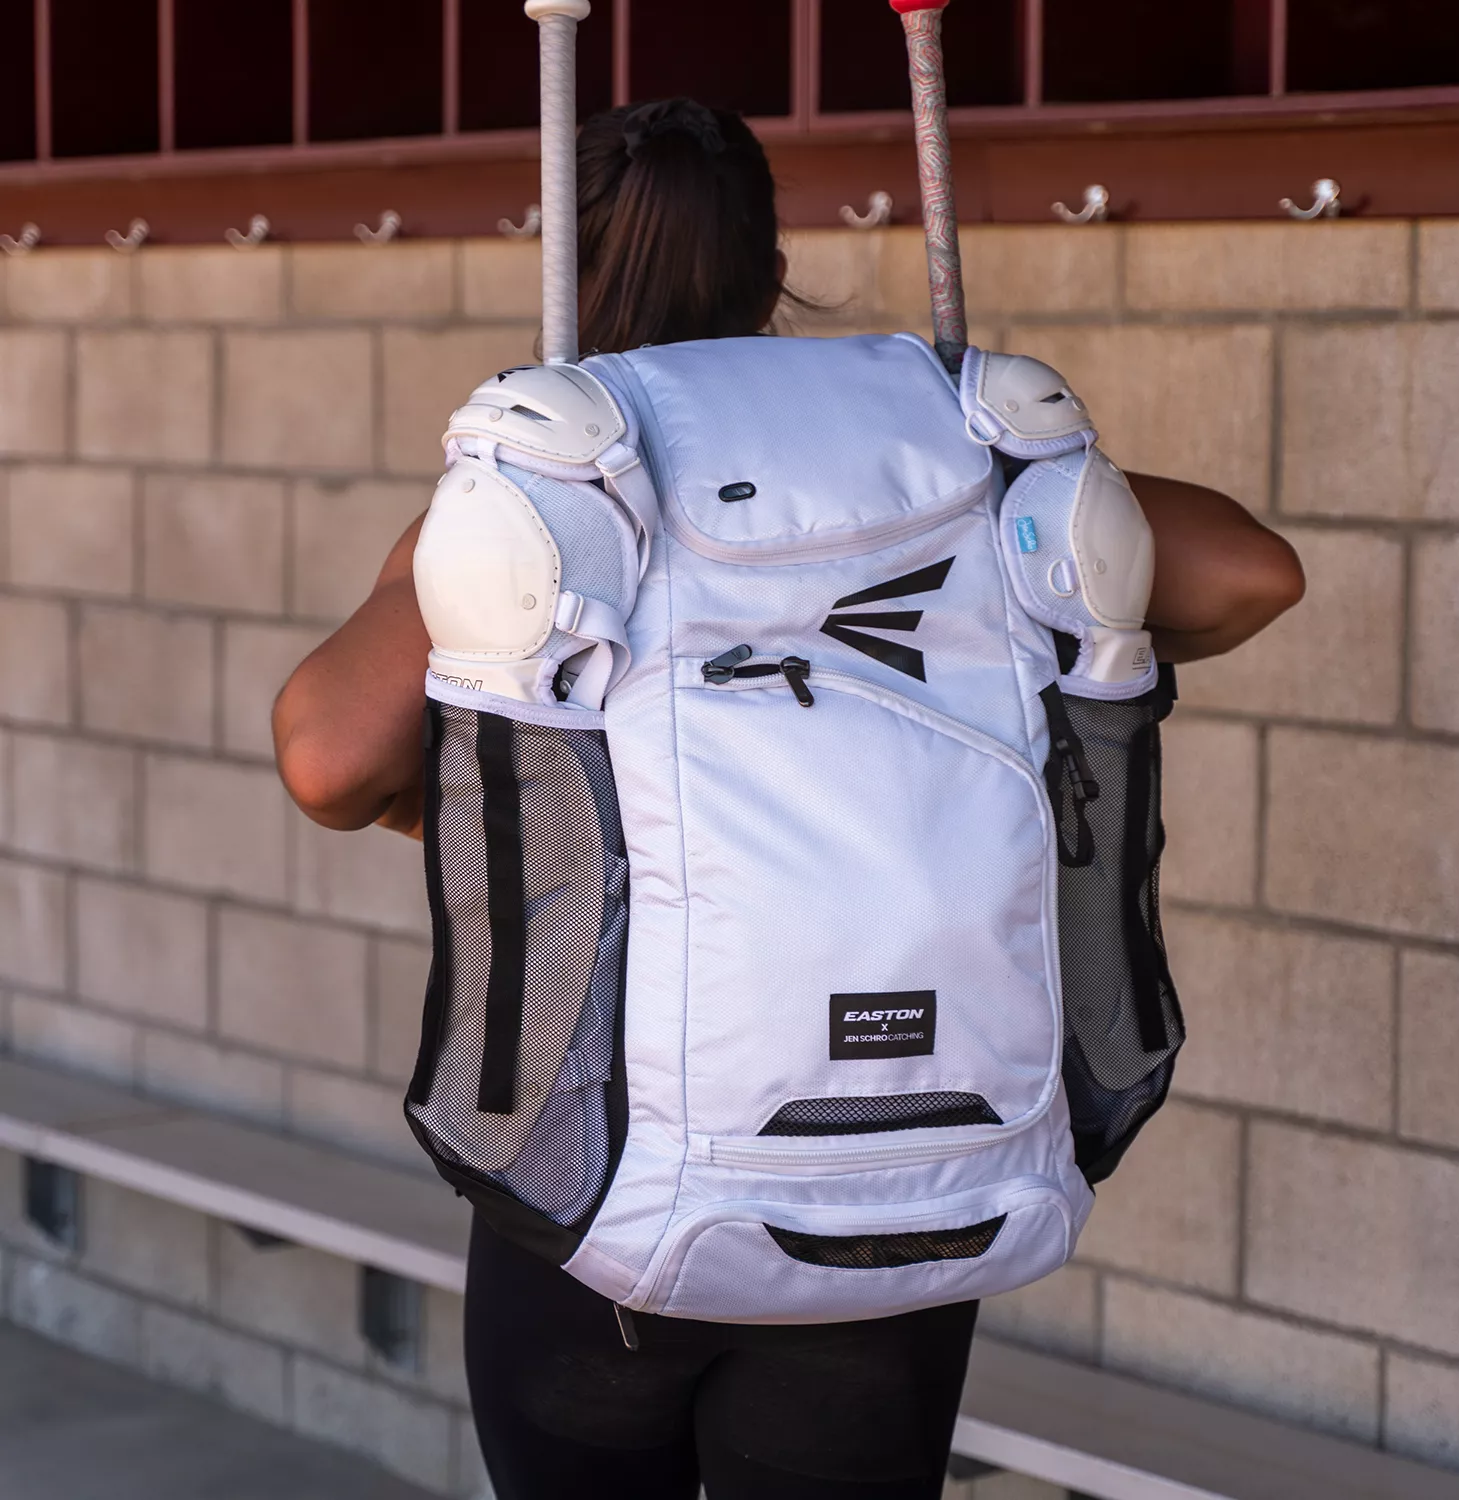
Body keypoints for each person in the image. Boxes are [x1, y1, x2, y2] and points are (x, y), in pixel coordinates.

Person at [274, 99, 1304, 1500]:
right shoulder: (942, 464)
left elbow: (329, 758)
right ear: (771, 267)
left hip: (606, 1198)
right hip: (896, 1199)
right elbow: (1253, 577)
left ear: (563, 263)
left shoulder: (543, 503)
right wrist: (1017, 494)